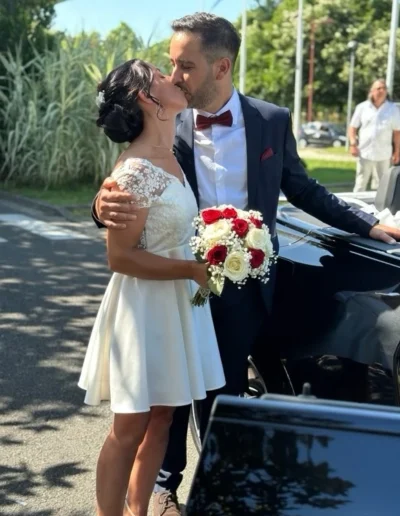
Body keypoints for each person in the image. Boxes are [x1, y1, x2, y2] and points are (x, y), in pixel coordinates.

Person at [92, 13, 400, 516]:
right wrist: (100, 208)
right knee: (161, 403)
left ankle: (222, 492)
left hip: (245, 286)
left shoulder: (270, 120)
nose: (173, 78)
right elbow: (129, 179)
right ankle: (161, 490)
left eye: (185, 66)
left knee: (222, 396)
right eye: (170, 66)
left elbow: (303, 188)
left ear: (222, 66)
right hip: (177, 284)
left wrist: (368, 225)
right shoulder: (169, 120)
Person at [78, 58, 225, 516]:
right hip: (144, 308)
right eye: (163, 74)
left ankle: (137, 511)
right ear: (147, 97)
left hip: (178, 304)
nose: (174, 76)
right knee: (130, 424)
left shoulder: (173, 156)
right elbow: (119, 257)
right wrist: (191, 272)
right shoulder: (136, 169)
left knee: (164, 416)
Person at [348, 78, 400, 192]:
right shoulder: (362, 107)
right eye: (378, 88)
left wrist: (397, 152)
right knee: (360, 184)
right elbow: (352, 127)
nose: (382, 90)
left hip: (384, 154)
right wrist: (353, 144)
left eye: (384, 88)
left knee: (383, 186)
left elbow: (397, 132)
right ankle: (354, 209)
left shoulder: (393, 109)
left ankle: (380, 209)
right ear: (372, 91)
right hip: (364, 153)